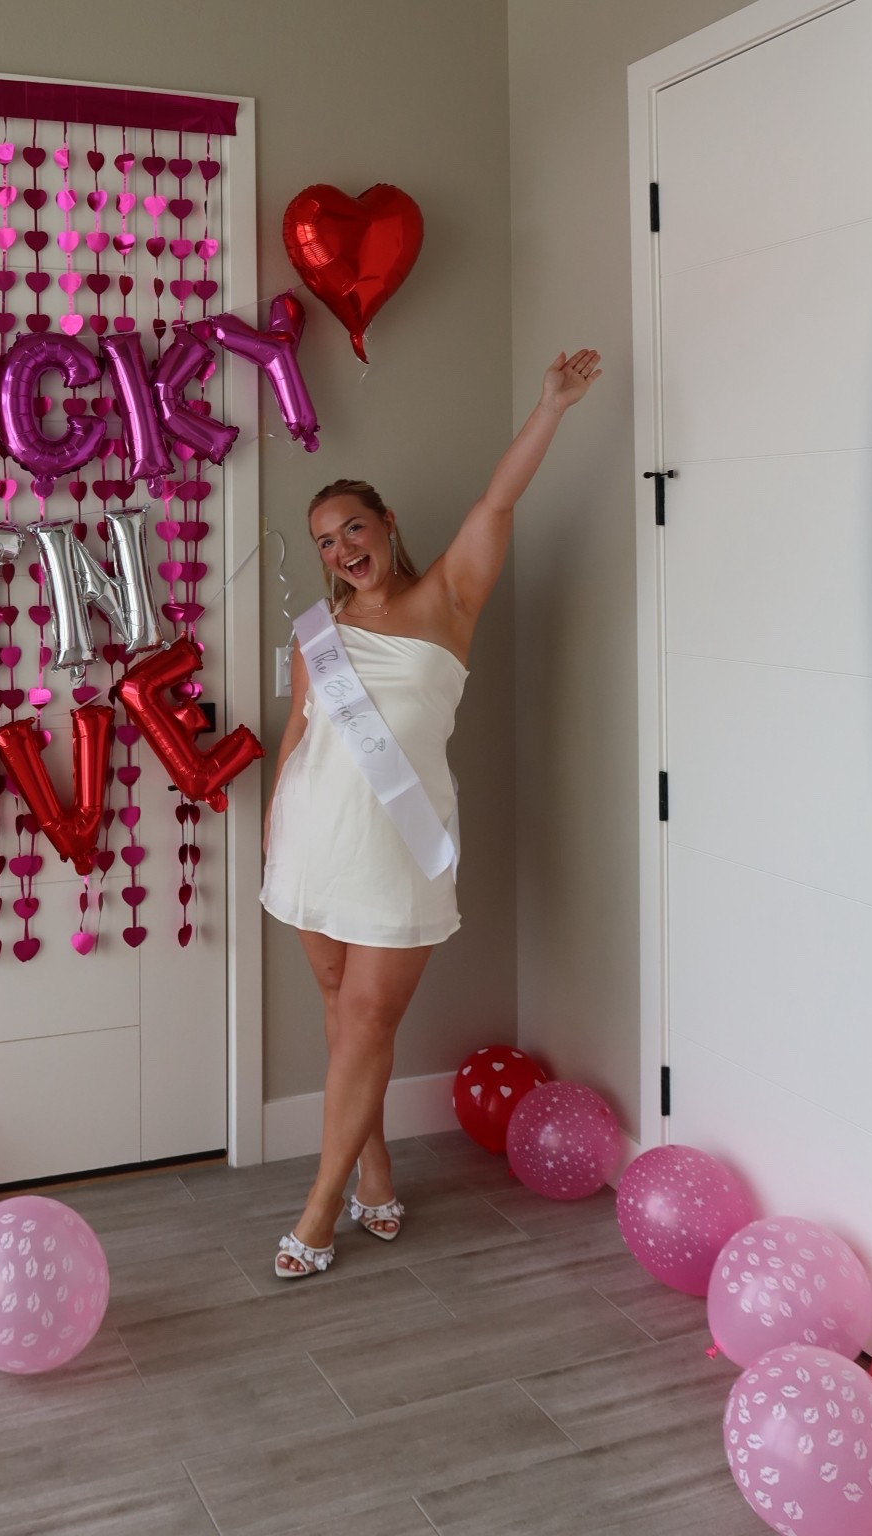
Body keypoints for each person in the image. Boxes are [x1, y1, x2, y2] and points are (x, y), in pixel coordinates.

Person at [261, 348, 602, 1277]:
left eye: (353, 528)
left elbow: (498, 500)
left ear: (385, 523)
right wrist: (272, 843)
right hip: (311, 844)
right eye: (325, 541)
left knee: (369, 1021)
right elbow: (297, 737)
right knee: (342, 1011)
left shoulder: (446, 598)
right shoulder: (317, 639)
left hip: (399, 848)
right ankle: (372, 1171)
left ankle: (320, 1208)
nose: (342, 550)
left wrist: (550, 408)